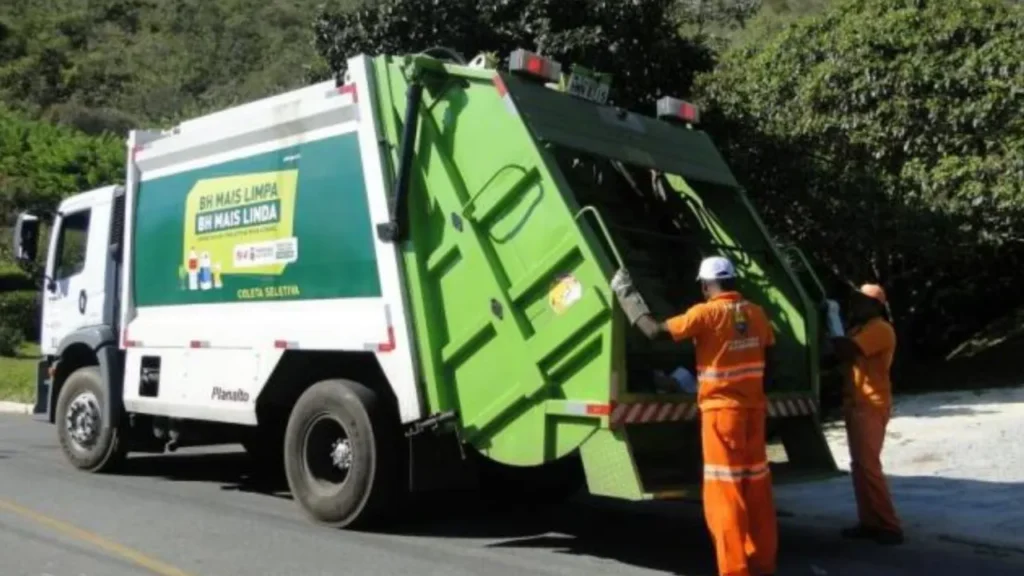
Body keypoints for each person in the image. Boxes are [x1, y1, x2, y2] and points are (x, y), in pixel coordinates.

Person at [611, 255, 778, 576]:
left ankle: (733, 570)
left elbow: (655, 332)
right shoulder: (757, 314)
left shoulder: (707, 313)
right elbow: (768, 358)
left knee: (724, 494)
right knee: (756, 490)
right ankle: (762, 564)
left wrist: (627, 296)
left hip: (720, 417)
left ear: (705, 285)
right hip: (754, 413)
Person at [830, 283, 904, 546]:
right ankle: (869, 522)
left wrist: (832, 320)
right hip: (857, 403)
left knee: (869, 466)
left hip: (870, 405)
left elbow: (845, 350)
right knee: (859, 467)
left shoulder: (880, 330)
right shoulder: (861, 329)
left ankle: (889, 526)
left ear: (876, 306)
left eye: (861, 301)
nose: (855, 305)